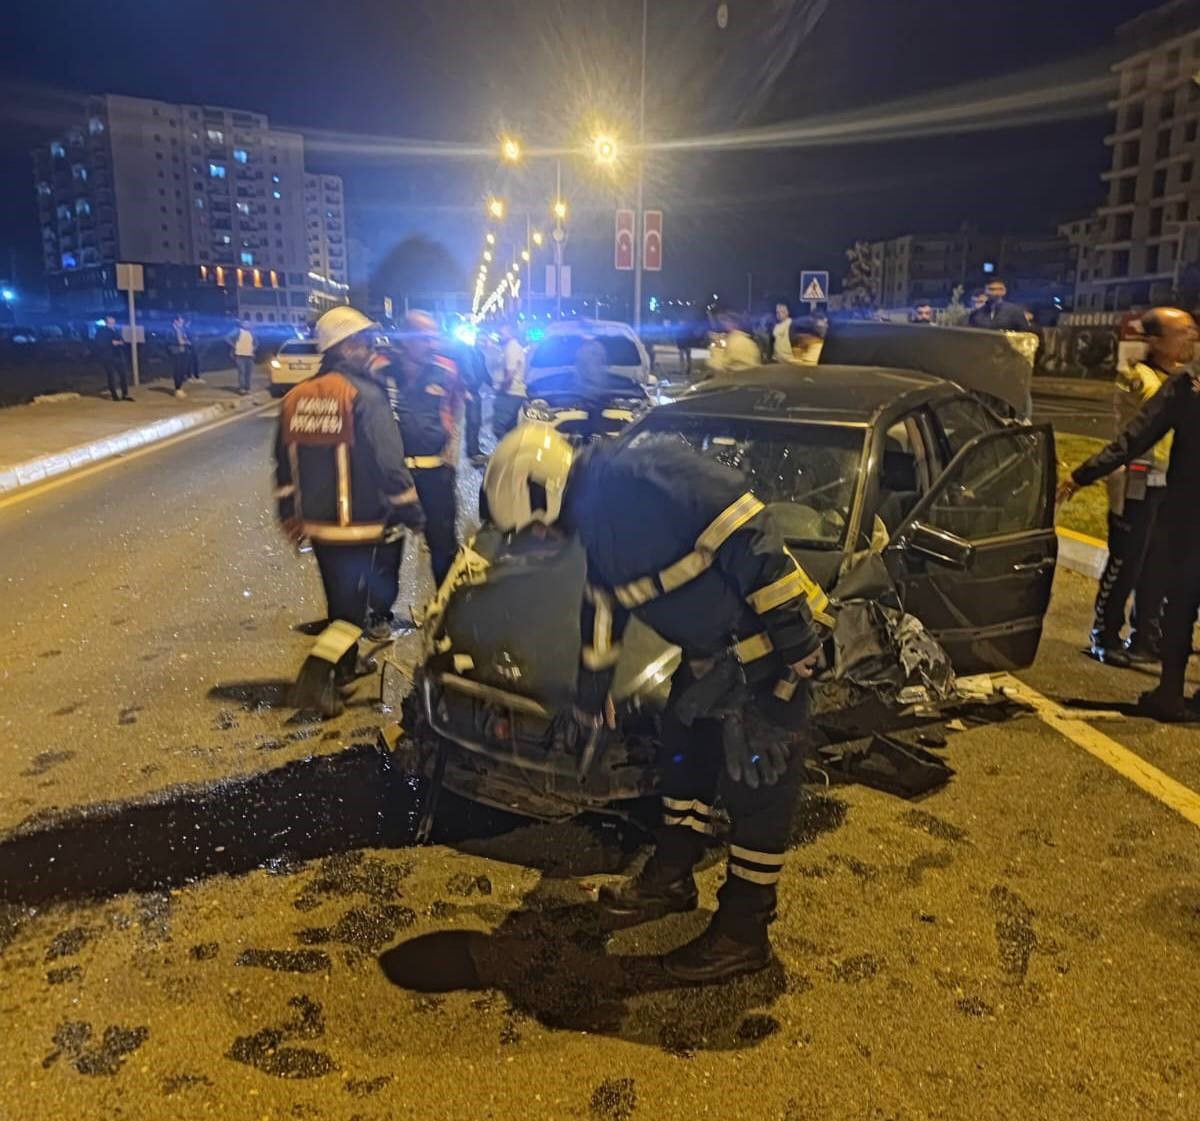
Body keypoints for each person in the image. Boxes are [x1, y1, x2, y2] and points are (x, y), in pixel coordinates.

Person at [484, 423, 831, 981]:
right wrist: (591, 700)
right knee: (684, 754)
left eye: (536, 531)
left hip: (770, 655)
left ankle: (744, 933)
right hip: (713, 660)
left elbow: (752, 529)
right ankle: (671, 878)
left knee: (759, 789)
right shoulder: (595, 522)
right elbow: (601, 612)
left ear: (546, 494)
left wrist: (794, 644)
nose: (540, 544)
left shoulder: (643, 473)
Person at [273, 306, 424, 710]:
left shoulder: (295, 398)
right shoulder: (365, 395)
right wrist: (411, 511)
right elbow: (389, 463)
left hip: (319, 526)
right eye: (364, 343)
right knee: (353, 614)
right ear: (346, 348)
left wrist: (290, 513)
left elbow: (283, 465)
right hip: (361, 524)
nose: (371, 349)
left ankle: (345, 669)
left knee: (338, 602)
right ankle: (316, 678)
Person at [1058, 308, 1200, 722]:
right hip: (1155, 498)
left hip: (1186, 516)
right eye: (1186, 331)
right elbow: (1130, 438)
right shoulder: (1157, 379)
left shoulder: (1185, 387)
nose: (1192, 337)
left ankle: (1170, 693)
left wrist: (1082, 475)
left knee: (1181, 605)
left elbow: (1136, 438)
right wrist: (1088, 474)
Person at [1081, 307, 1186, 666]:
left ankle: (1145, 636)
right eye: (1182, 332)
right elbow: (1140, 427)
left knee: (1159, 565)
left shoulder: (1183, 379)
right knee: (1125, 561)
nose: (1191, 338)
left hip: (1167, 486)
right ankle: (1104, 634)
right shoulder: (1138, 377)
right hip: (1135, 482)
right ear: (1155, 341)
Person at [375, 310, 461, 592]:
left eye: (435, 338)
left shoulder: (447, 370)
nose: (432, 344)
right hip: (393, 475)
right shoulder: (381, 370)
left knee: (443, 545)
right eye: (425, 338)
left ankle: (447, 608)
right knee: (388, 545)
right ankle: (380, 614)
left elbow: (455, 409)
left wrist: (451, 451)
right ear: (407, 339)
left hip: (435, 473)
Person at [458, 333, 490, 467]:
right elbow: (465, 370)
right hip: (469, 390)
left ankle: (474, 448)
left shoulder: (479, 354)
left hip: (475, 390)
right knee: (473, 420)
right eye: (481, 340)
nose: (482, 343)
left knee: (476, 421)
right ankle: (472, 451)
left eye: (484, 340)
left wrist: (493, 384)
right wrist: (465, 389)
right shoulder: (468, 353)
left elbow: (484, 372)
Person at [493, 324, 526, 439]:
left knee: (499, 427)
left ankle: (505, 454)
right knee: (510, 429)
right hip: (513, 393)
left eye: (502, 334)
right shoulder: (511, 347)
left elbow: (509, 374)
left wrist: (501, 389)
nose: (499, 336)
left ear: (510, 333)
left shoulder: (511, 348)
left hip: (509, 393)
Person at [94, 314, 132, 402]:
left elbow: (122, 341)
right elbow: (99, 343)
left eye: (113, 319)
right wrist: (111, 343)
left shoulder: (116, 330)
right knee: (111, 376)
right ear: (107, 320)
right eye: (110, 319)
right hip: (108, 357)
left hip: (118, 356)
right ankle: (114, 395)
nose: (112, 320)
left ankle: (124, 394)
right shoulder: (102, 331)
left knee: (123, 375)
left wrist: (121, 343)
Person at [168, 316, 194, 398]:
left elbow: (185, 338)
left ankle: (180, 387)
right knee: (178, 370)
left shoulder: (182, 330)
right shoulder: (171, 330)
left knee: (182, 370)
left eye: (182, 322)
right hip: (176, 352)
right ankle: (177, 388)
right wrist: (181, 343)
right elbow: (170, 341)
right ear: (175, 321)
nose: (182, 324)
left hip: (183, 351)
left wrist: (186, 341)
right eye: (180, 322)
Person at [232, 319, 256, 395]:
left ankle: (247, 388)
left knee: (248, 373)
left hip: (249, 356)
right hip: (240, 356)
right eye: (245, 323)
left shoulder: (251, 333)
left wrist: (253, 349)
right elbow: (227, 338)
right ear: (242, 324)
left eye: (248, 323)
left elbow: (256, 342)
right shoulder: (238, 331)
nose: (247, 325)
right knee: (242, 372)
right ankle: (241, 389)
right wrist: (234, 346)